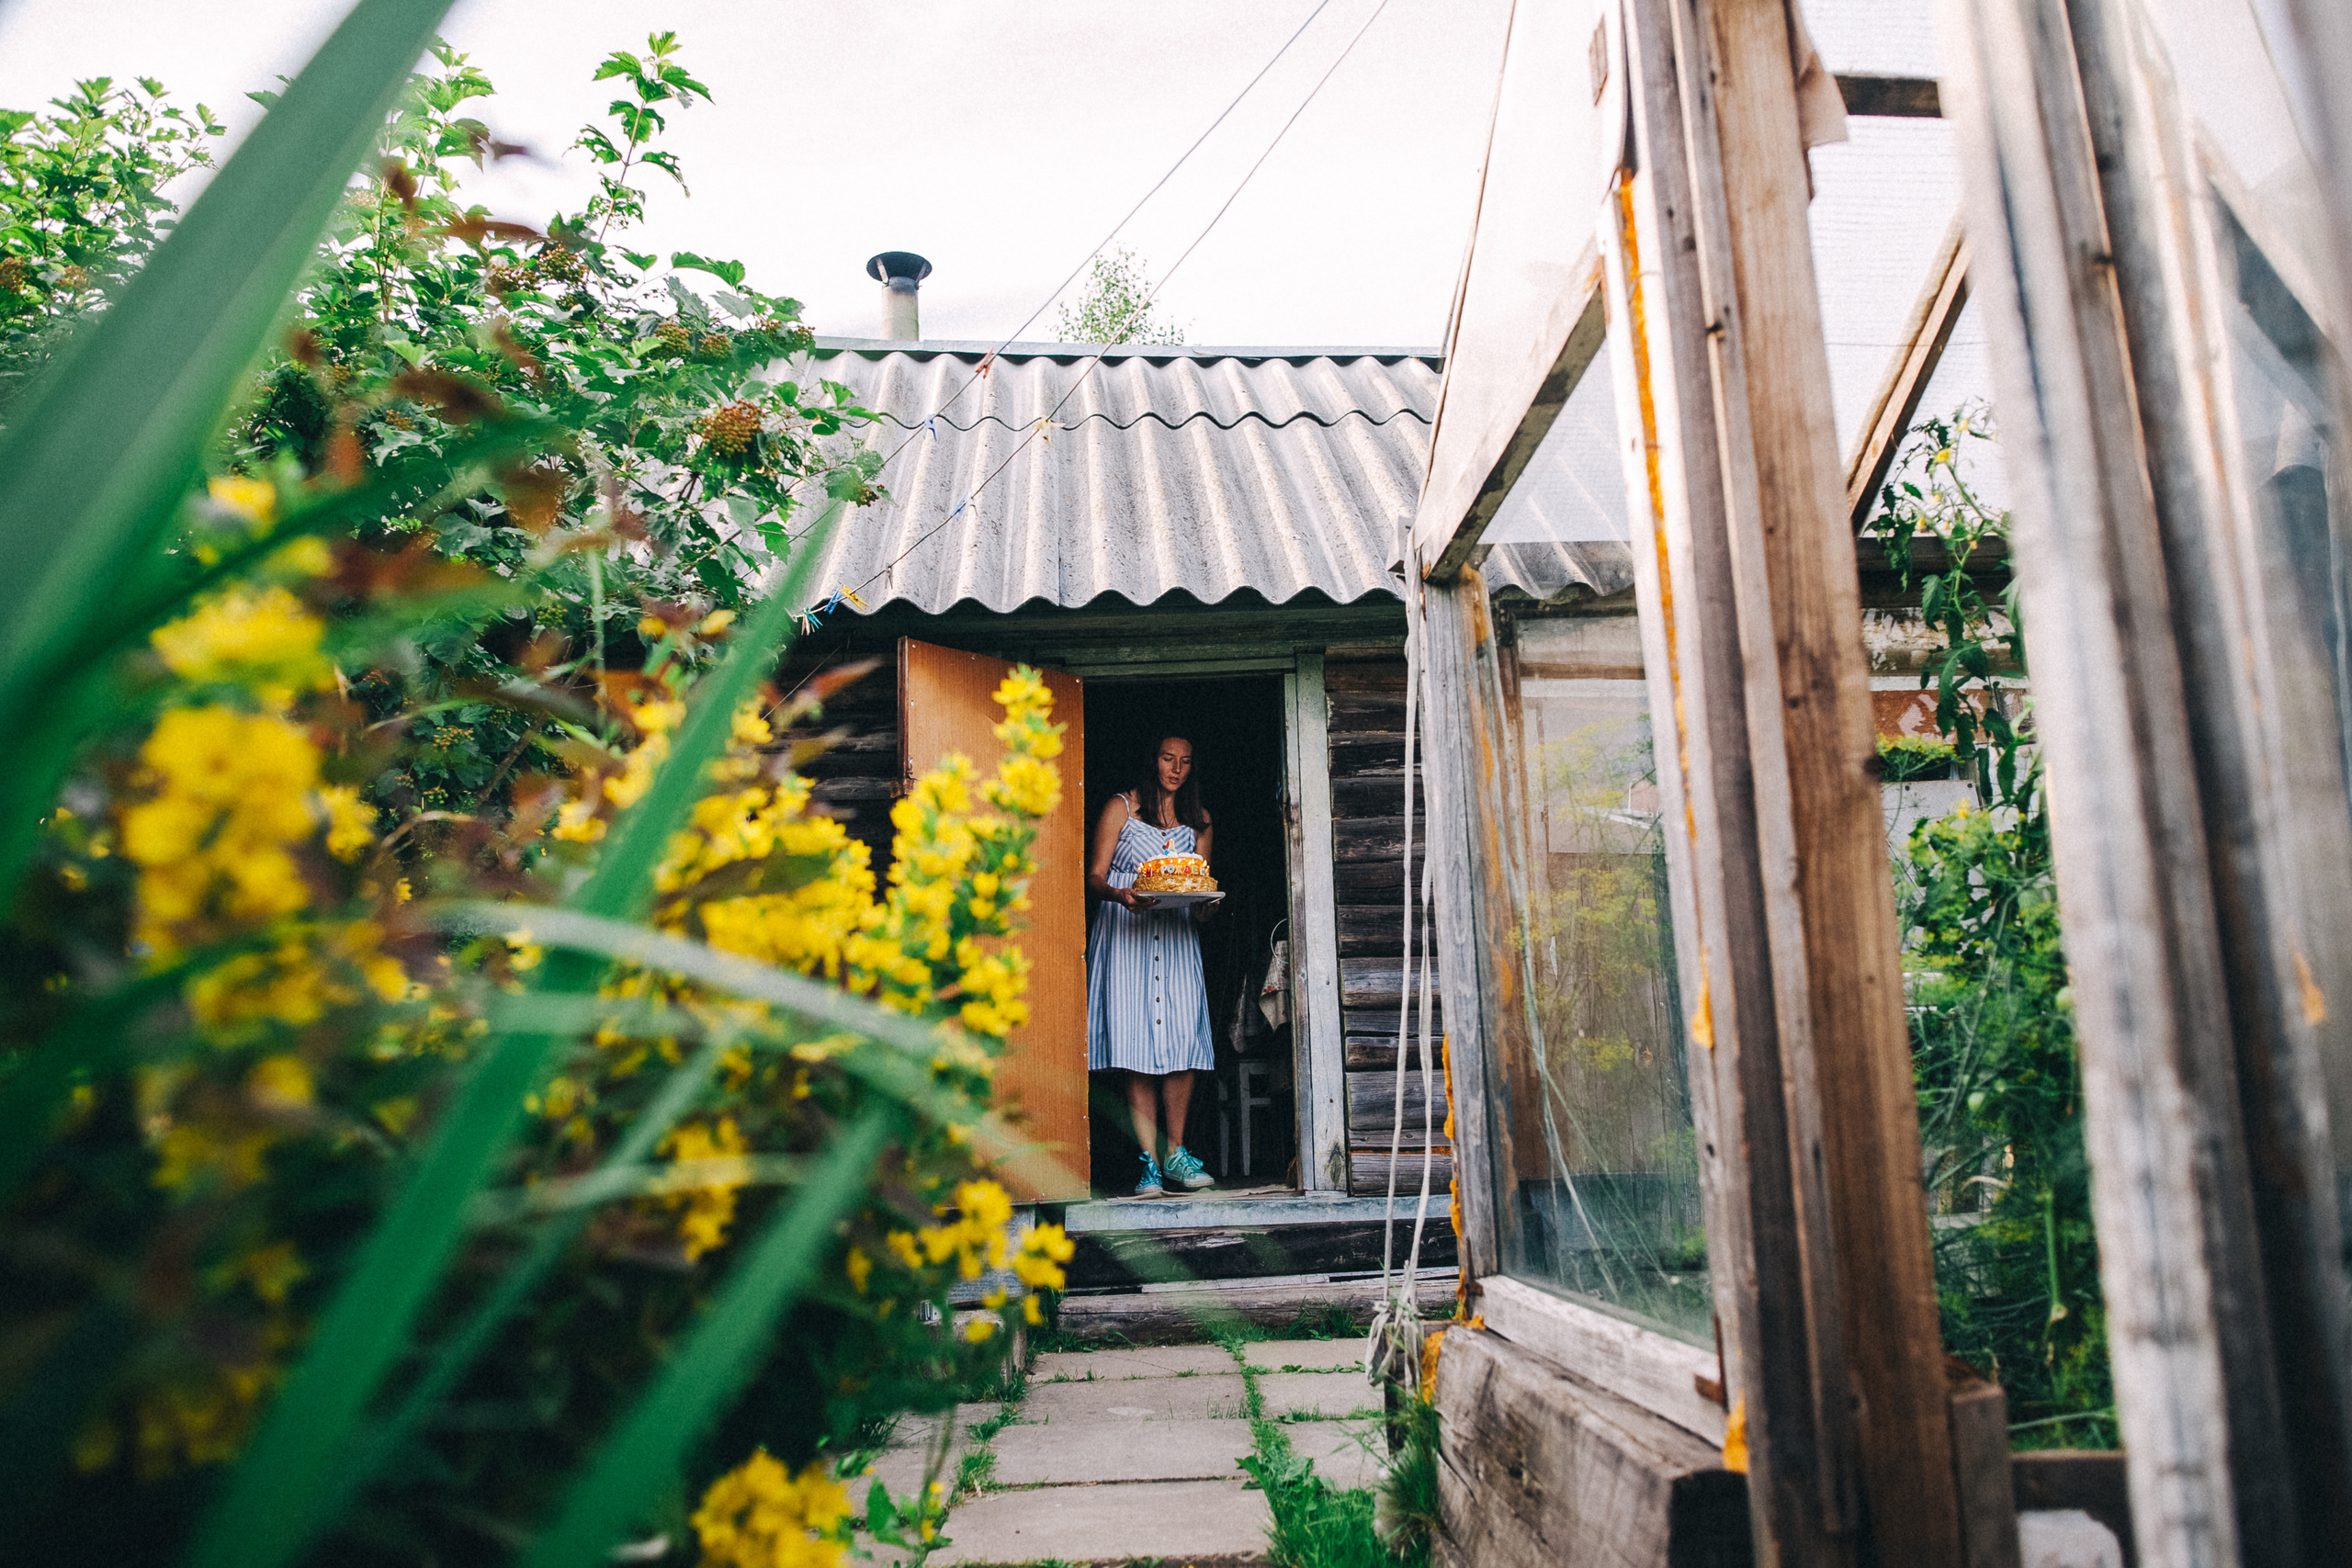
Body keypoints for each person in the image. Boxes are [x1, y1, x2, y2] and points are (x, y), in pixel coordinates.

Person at [1086, 733, 1219, 1197]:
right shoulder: (1121, 808)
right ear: (1153, 760)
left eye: (1185, 761)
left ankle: (1177, 1153)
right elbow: (1094, 875)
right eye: (1167, 758)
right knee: (1136, 1045)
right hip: (1127, 934)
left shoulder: (1199, 822)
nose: (1176, 769)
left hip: (1178, 937)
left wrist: (1205, 907)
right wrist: (1120, 894)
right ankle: (1149, 1162)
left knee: (1181, 1039)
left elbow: (1200, 893)